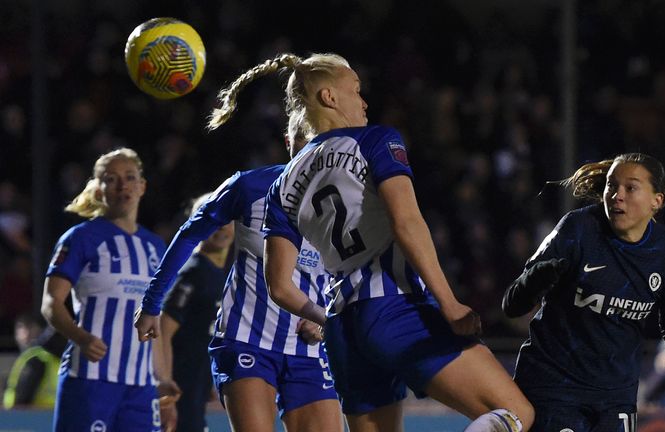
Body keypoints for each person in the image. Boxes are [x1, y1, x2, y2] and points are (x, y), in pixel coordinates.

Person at [205, 52, 534, 432]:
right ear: (329, 97)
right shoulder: (376, 139)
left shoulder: (282, 184)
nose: (363, 101)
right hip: (397, 307)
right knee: (515, 413)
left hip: (344, 329)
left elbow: (278, 285)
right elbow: (407, 223)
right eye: (356, 91)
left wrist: (324, 320)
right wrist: (449, 304)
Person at [502, 153, 665, 432]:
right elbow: (512, 305)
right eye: (612, 186)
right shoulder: (578, 229)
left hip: (616, 397)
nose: (616, 195)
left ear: (655, 201)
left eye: (630, 187)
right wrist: (534, 281)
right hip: (554, 387)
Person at [134, 132, 343, 431]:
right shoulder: (250, 186)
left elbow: (350, 274)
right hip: (247, 340)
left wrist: (325, 319)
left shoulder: (346, 206)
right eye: (304, 138)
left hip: (308, 350)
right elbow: (191, 233)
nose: (312, 150)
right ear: (289, 141)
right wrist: (152, 302)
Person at [41, 147, 179, 432]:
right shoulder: (80, 238)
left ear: (142, 187)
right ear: (99, 189)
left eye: (130, 177)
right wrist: (79, 336)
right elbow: (51, 302)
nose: (123, 185)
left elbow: (154, 323)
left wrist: (162, 379)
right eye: (112, 178)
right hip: (90, 379)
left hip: (141, 388)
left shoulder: (155, 247)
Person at [157, 193, 234, 432]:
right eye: (211, 220)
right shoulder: (193, 271)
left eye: (225, 219)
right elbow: (162, 329)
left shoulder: (219, 273)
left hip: (197, 383)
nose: (220, 227)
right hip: (181, 385)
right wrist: (165, 382)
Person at [3, 315, 64, 409]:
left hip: (26, 418)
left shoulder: (36, 357)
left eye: (30, 327)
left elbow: (24, 394)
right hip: (49, 415)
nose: (26, 334)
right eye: (21, 328)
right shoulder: (60, 357)